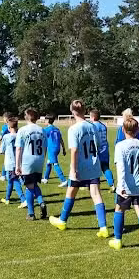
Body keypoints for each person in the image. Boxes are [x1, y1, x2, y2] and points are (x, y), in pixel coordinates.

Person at [49, 100, 109, 236]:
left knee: (70, 193)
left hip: (80, 167)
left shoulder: (74, 129)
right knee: (96, 195)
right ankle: (103, 227)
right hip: (93, 165)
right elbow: (99, 145)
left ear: (72, 111)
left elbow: (74, 150)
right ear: (85, 110)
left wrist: (73, 169)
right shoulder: (93, 126)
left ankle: (62, 220)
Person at [110, 117, 139, 255]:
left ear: (123, 130)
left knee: (119, 209)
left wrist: (120, 185)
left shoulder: (120, 146)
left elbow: (121, 168)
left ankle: (117, 240)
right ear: (137, 130)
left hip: (126, 186)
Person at [16, 108, 48, 220]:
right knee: (34, 184)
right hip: (39, 159)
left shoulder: (22, 130)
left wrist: (17, 165)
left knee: (29, 187)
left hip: (28, 160)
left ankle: (31, 213)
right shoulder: (43, 130)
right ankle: (41, 202)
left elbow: (19, 148)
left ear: (26, 117)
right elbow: (45, 148)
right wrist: (42, 160)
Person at [0, 117, 26, 207]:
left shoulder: (6, 137)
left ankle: (23, 199)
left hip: (10, 163)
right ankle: (7, 199)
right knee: (11, 180)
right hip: (19, 162)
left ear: (8, 127)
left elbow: (1, 150)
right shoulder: (21, 136)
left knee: (14, 180)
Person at [90, 108, 116, 190]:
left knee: (93, 168)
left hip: (97, 150)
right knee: (105, 167)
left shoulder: (93, 126)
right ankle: (112, 185)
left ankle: (91, 185)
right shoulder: (103, 126)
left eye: (90, 117)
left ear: (93, 118)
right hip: (105, 149)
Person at [42, 115, 67, 186]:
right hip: (57, 148)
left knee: (55, 164)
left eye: (45, 120)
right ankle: (45, 178)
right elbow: (61, 140)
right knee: (49, 163)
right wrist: (64, 149)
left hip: (51, 149)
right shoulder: (57, 129)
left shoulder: (46, 130)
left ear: (47, 121)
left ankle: (64, 180)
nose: (44, 122)